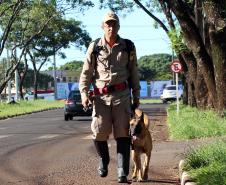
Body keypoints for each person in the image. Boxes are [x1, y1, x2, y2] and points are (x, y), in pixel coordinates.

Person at [79, 11, 140, 183]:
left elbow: (134, 71)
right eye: (108, 24)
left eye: (113, 24)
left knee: (123, 134)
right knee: (99, 132)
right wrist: (84, 94)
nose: (110, 27)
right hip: (100, 98)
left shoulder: (128, 46)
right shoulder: (95, 47)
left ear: (118, 26)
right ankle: (104, 160)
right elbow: (86, 73)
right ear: (102, 27)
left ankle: (122, 171)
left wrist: (136, 95)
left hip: (122, 96)